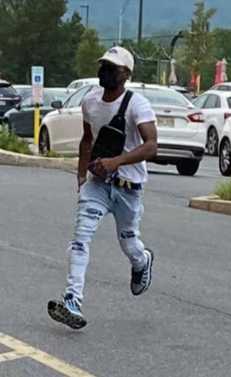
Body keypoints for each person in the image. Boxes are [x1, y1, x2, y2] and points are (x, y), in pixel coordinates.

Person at [47, 46, 158, 330]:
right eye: (103, 65)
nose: (105, 71)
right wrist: (81, 176)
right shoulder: (91, 101)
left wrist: (116, 162)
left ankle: (142, 261)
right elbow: (87, 139)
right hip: (97, 185)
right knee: (80, 238)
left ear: (126, 74)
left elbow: (151, 146)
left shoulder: (137, 105)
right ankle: (72, 300)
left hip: (128, 187)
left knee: (129, 244)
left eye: (112, 67)